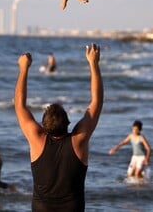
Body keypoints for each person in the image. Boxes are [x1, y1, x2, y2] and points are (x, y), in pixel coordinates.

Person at [14, 44, 103, 211]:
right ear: (69, 123)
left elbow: (19, 106)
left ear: (43, 126)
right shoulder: (78, 140)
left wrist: (23, 69)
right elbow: (96, 103)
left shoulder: (37, 139)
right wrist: (94, 64)